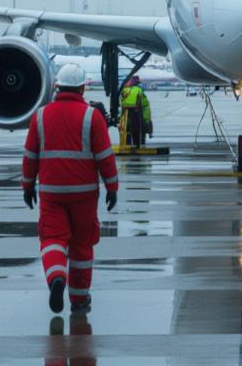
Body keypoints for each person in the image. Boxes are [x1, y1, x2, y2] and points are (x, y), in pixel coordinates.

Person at [22, 63, 119, 314]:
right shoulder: (92, 116)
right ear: (82, 87)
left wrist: (27, 185)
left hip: (51, 193)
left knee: (53, 240)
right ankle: (79, 300)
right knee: (81, 246)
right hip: (84, 194)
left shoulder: (40, 116)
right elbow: (105, 156)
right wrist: (112, 187)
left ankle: (56, 278)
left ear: (56, 86)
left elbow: (30, 155)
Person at [118, 77, 151, 147]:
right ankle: (139, 145)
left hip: (126, 113)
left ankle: (126, 145)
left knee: (126, 131)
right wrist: (147, 119)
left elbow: (121, 102)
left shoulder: (124, 90)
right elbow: (144, 104)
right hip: (136, 113)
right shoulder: (139, 90)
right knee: (138, 131)